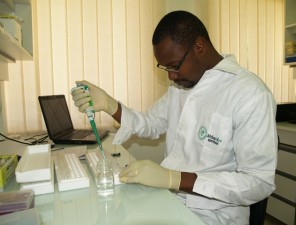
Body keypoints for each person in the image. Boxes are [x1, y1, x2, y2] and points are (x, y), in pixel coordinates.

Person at [72, 10, 277, 225]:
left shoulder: (250, 94)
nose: (171, 76)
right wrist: (110, 105)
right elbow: (151, 123)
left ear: (200, 47)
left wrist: (176, 178)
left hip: (215, 214)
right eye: (165, 68)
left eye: (174, 66)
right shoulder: (181, 86)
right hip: (171, 198)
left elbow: (258, 181)